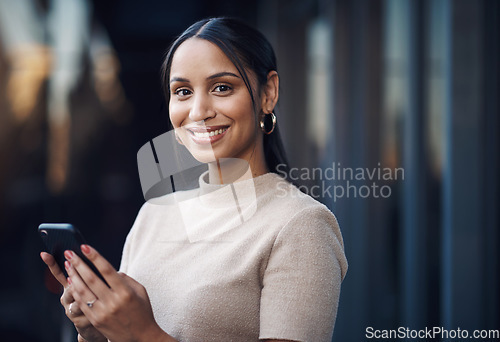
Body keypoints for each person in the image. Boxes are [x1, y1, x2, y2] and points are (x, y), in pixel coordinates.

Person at [41, 17, 348, 342]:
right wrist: (96, 331)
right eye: (183, 91)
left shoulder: (301, 225)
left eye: (222, 88)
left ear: (268, 93)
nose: (199, 110)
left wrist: (144, 334)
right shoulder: (153, 215)